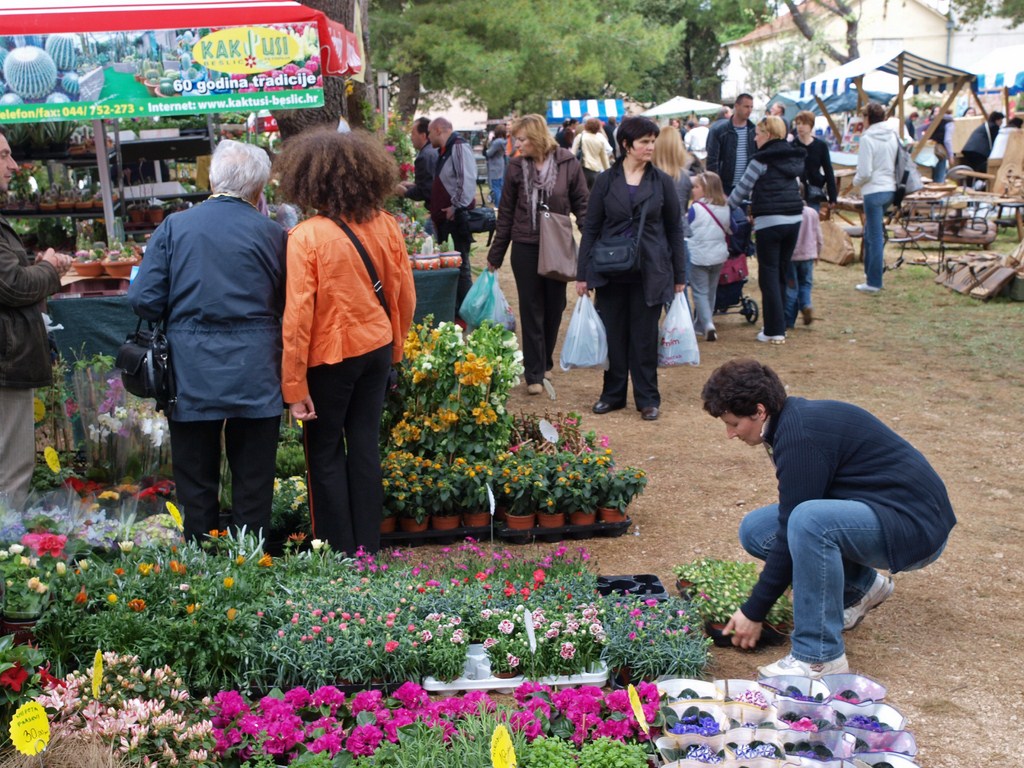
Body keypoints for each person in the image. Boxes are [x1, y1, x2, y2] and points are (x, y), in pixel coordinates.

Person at [701, 358, 956, 679]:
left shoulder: (800, 437)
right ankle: (862, 589)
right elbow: (786, 528)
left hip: (916, 528)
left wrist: (754, 611)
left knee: (808, 521)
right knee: (757, 530)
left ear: (759, 410)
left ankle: (818, 656)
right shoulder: (789, 422)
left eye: (734, 423)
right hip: (885, 510)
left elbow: (799, 521)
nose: (729, 434)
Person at [128, 140, 287, 543]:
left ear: (213, 179)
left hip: (190, 370)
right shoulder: (275, 235)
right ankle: (250, 561)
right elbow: (292, 302)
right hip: (256, 368)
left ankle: (200, 562)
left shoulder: (175, 227)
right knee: (254, 477)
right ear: (258, 189)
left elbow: (144, 299)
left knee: (195, 475)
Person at [275, 127, 415, 554]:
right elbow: (404, 293)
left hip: (329, 359)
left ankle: (337, 549)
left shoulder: (306, 236)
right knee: (366, 444)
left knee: (325, 452)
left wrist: (294, 388)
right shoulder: (386, 225)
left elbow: (297, 318)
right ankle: (367, 547)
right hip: (376, 349)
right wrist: (395, 349)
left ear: (308, 181)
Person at [577, 116, 686, 422]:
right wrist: (582, 273)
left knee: (644, 337)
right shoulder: (605, 181)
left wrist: (680, 275)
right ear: (626, 145)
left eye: (653, 141)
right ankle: (612, 395)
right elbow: (591, 227)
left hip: (650, 269)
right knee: (614, 335)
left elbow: (675, 230)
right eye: (644, 142)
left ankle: (648, 398)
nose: (651, 147)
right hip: (611, 269)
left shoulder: (662, 181)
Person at [487, 114, 588, 397]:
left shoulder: (568, 162)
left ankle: (544, 360)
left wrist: (591, 244)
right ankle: (533, 372)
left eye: (522, 139)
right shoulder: (516, 166)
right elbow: (505, 212)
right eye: (515, 139)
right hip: (525, 244)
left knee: (555, 305)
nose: (517, 145)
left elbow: (582, 204)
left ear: (537, 137)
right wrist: (496, 255)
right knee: (531, 309)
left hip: (557, 242)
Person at [0, 128, 72, 509]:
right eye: (3, 156)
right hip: (5, 363)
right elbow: (11, 285)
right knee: (11, 475)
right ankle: (8, 562)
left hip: (8, 361)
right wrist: (48, 268)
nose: (12, 165)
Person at [728, 115, 805, 344]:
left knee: (768, 275)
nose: (755, 138)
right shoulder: (793, 159)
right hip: (794, 219)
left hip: (770, 222)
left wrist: (724, 206)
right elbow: (798, 186)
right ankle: (781, 324)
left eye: (758, 133)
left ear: (768, 135)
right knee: (781, 272)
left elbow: (740, 192)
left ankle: (773, 330)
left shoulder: (760, 161)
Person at [428, 117, 478, 311]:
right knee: (454, 266)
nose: (429, 136)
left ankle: (468, 311)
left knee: (461, 267)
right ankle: (458, 309)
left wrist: (456, 206)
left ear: (439, 130)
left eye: (430, 132)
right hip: (447, 220)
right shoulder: (445, 150)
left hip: (456, 219)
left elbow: (466, 179)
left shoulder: (458, 147)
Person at [852, 102, 897, 294]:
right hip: (890, 188)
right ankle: (870, 273)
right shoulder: (893, 135)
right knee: (872, 232)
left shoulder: (867, 138)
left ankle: (874, 281)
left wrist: (855, 182)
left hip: (873, 190)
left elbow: (865, 171)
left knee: (875, 236)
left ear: (868, 118)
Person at [686, 171, 730, 342]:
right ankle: (702, 323)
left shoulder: (696, 208)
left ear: (706, 189)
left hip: (698, 255)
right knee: (711, 291)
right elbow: (732, 227)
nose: (693, 190)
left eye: (696, 187)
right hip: (718, 255)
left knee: (699, 292)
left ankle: (708, 324)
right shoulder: (725, 206)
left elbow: (686, 226)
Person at [785, 193, 823, 328]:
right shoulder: (812, 213)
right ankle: (806, 304)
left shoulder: (788, 211)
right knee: (806, 284)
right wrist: (818, 252)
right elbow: (818, 235)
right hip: (808, 255)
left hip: (792, 256)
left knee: (791, 288)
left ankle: (788, 320)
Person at [707, 93, 756, 194]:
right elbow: (712, 161)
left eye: (751, 107)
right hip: (725, 186)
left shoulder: (754, 130)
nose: (749, 110)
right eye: (746, 106)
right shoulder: (720, 130)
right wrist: (716, 188)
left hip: (747, 186)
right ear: (737, 106)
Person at [793, 110, 837, 213]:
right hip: (795, 193)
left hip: (814, 192)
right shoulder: (792, 146)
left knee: (812, 224)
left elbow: (828, 170)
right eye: (798, 124)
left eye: (804, 123)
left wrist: (832, 196)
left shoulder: (821, 146)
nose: (800, 127)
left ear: (811, 125)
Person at [396, 116, 438, 210]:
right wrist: (412, 185)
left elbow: (425, 191)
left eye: (413, 134)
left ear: (423, 136)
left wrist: (404, 192)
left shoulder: (424, 156)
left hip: (438, 210)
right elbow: (430, 183)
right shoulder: (433, 150)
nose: (411, 138)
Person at [571, 117, 613, 190]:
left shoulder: (580, 137)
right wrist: (608, 172)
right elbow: (604, 158)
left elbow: (572, 154)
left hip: (583, 168)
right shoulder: (600, 140)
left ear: (586, 126)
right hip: (596, 170)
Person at [484, 124, 508, 207]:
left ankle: (498, 206)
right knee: (499, 186)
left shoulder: (497, 142)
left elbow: (489, 153)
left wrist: (486, 149)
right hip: (500, 164)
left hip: (495, 166)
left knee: (496, 188)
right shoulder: (504, 141)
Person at [930, 110, 955, 182]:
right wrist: (951, 155)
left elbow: (920, 129)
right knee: (940, 177)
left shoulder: (935, 120)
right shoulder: (950, 122)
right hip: (941, 150)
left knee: (934, 176)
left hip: (932, 149)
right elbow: (947, 140)